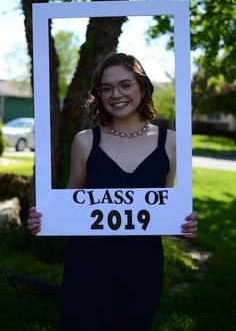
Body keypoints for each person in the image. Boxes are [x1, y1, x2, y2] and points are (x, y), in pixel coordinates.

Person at [27, 53, 198, 331]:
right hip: (88, 265)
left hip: (143, 267)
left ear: (143, 88)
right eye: (106, 88)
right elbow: (71, 208)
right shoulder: (85, 142)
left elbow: (167, 207)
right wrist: (44, 220)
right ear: (99, 95)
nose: (115, 94)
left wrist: (183, 224)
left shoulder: (172, 143)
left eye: (125, 84)